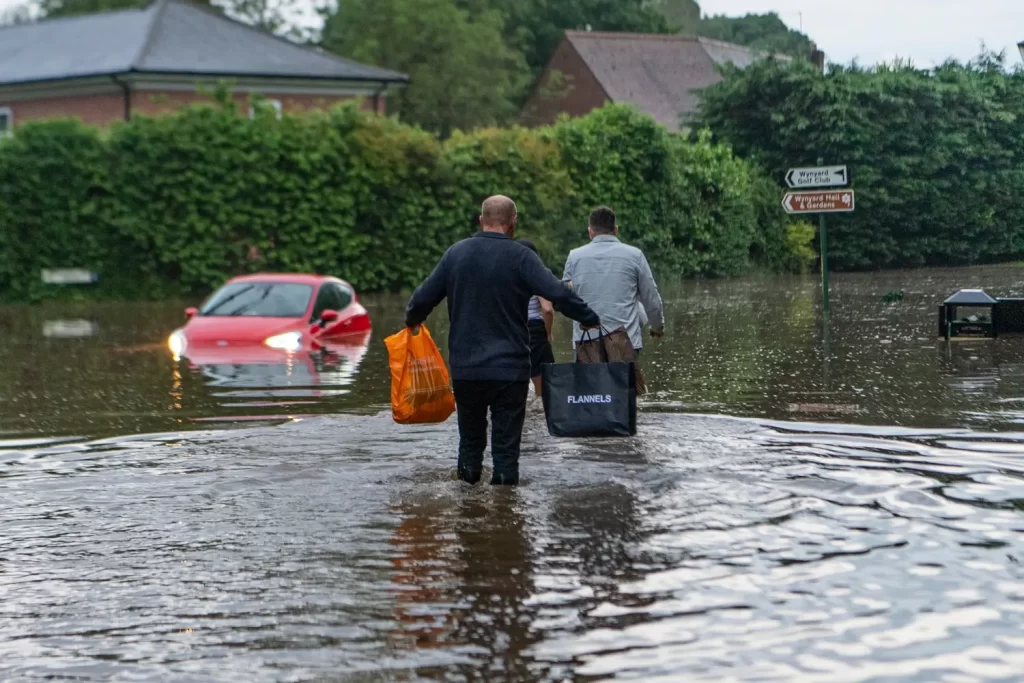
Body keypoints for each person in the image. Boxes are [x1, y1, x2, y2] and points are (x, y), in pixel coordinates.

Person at [405, 195, 600, 486]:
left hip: (466, 370)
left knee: (470, 447)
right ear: (513, 224)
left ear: (481, 221)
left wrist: (412, 320)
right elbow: (558, 294)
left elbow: (422, 298)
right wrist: (587, 317)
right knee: (506, 454)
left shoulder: (455, 254)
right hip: (510, 372)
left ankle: (469, 513)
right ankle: (506, 515)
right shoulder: (522, 257)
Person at [562, 206, 665, 355]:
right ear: (616, 230)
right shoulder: (635, 255)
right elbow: (651, 297)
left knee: (589, 379)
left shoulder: (574, 257)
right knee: (622, 379)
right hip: (625, 342)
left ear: (590, 232)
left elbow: (564, 297)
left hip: (586, 342)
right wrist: (657, 327)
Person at [516, 239, 555, 397]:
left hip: (512, 329)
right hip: (534, 330)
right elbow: (547, 309)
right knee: (543, 388)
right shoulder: (538, 275)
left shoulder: (507, 274)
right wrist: (548, 332)